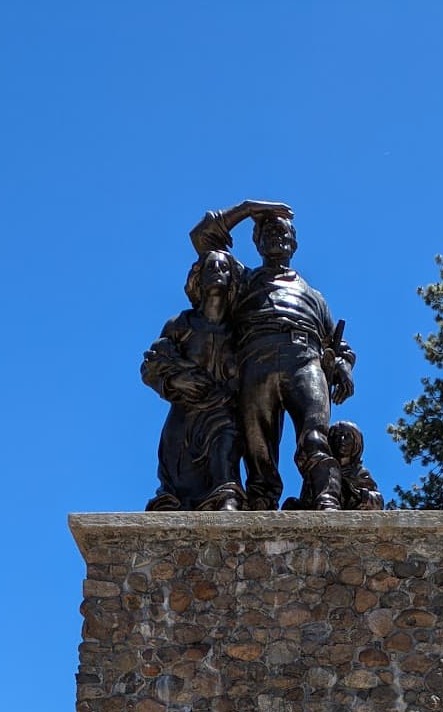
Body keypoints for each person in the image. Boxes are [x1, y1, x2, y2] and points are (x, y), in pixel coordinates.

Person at [189, 200, 355, 511]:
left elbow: (339, 345)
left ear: (294, 243)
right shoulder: (243, 280)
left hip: (305, 360)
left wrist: (343, 365)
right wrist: (247, 209)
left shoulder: (314, 296)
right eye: (268, 232)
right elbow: (203, 237)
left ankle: (326, 497)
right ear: (257, 243)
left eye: (283, 232)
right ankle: (261, 501)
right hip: (256, 361)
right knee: (257, 446)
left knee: (314, 435)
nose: (276, 236)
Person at [140, 249, 245, 511]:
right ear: (198, 278)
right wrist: (175, 382)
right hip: (184, 416)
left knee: (225, 461)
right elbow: (150, 368)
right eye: (211, 267)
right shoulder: (180, 324)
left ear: (233, 280)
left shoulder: (240, 331)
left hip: (223, 414)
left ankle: (228, 500)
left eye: (224, 268)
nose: (217, 272)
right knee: (178, 488)